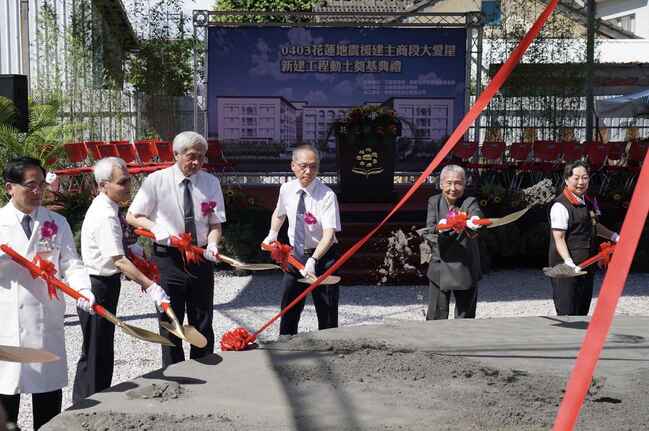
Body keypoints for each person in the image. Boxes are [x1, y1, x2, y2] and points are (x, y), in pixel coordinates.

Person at [0, 157, 93, 429]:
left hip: (44, 316)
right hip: (7, 319)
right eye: (30, 186)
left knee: (48, 400)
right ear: (10, 188)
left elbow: (70, 263)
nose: (38, 192)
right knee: (7, 397)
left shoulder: (56, 222)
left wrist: (83, 290)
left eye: (42, 185)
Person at [73, 157, 171, 402]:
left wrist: (134, 250)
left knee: (101, 348)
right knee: (97, 352)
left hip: (105, 282)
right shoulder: (105, 215)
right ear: (104, 185)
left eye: (128, 181)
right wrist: (151, 286)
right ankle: (89, 404)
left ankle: (91, 399)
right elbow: (119, 261)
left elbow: (122, 252)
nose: (128, 187)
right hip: (97, 285)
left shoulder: (109, 208)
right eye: (122, 182)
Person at [126, 132, 225, 366]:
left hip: (200, 256)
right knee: (171, 318)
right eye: (191, 157)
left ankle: (205, 367)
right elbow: (133, 215)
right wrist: (154, 227)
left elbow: (215, 224)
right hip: (167, 258)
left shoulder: (210, 183)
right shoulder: (156, 181)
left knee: (202, 317)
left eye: (201, 157)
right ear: (176, 154)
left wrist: (212, 243)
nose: (197, 163)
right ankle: (174, 372)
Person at [262, 144, 341, 336]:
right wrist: (272, 233)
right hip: (294, 257)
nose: (308, 171)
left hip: (322, 258)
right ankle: (286, 348)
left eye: (313, 166)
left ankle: (329, 350)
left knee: (327, 312)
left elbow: (329, 235)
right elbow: (279, 214)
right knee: (289, 309)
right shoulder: (286, 189)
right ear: (293, 166)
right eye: (304, 166)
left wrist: (313, 260)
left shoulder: (327, 195)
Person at [548, 161, 620, 316]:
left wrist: (615, 237)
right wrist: (568, 262)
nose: (581, 182)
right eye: (576, 178)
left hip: (587, 267)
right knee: (568, 313)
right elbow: (558, 238)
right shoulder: (560, 206)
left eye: (585, 178)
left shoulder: (587, 201)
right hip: (567, 270)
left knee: (582, 312)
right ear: (567, 180)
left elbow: (594, 225)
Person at [424, 164, 484, 320]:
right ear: (441, 183)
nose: (453, 188)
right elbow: (430, 228)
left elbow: (475, 214)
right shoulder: (434, 201)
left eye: (458, 183)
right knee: (436, 313)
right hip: (440, 262)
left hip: (465, 264)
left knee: (465, 315)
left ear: (464, 184)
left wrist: (475, 221)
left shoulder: (470, 201)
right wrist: (440, 228)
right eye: (449, 183)